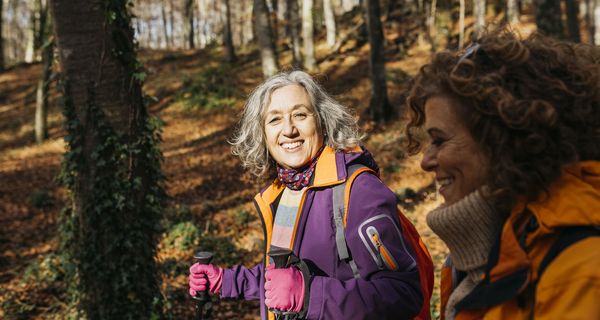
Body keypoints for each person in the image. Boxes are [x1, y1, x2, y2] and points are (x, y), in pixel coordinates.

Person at [188, 70, 429, 319]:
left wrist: (310, 295)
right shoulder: (284, 193)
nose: (289, 130)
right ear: (262, 134)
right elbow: (283, 278)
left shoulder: (358, 190)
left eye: (300, 115)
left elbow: (403, 293)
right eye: (274, 120)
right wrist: (226, 281)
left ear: (322, 121)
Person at [406, 30, 600, 320]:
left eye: (439, 140)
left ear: (500, 140)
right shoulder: (475, 258)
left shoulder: (578, 268)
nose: (426, 161)